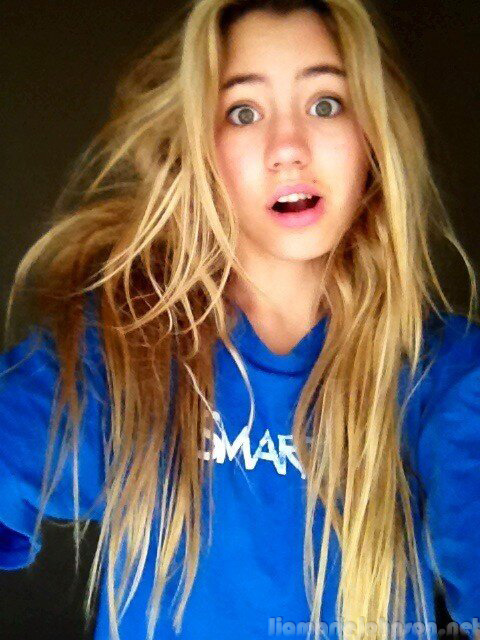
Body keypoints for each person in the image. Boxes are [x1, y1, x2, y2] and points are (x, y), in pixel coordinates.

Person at [0, 1, 479, 639]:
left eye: (326, 103)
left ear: (373, 133)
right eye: (243, 112)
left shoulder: (442, 376)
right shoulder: (117, 352)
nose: (288, 149)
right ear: (201, 145)